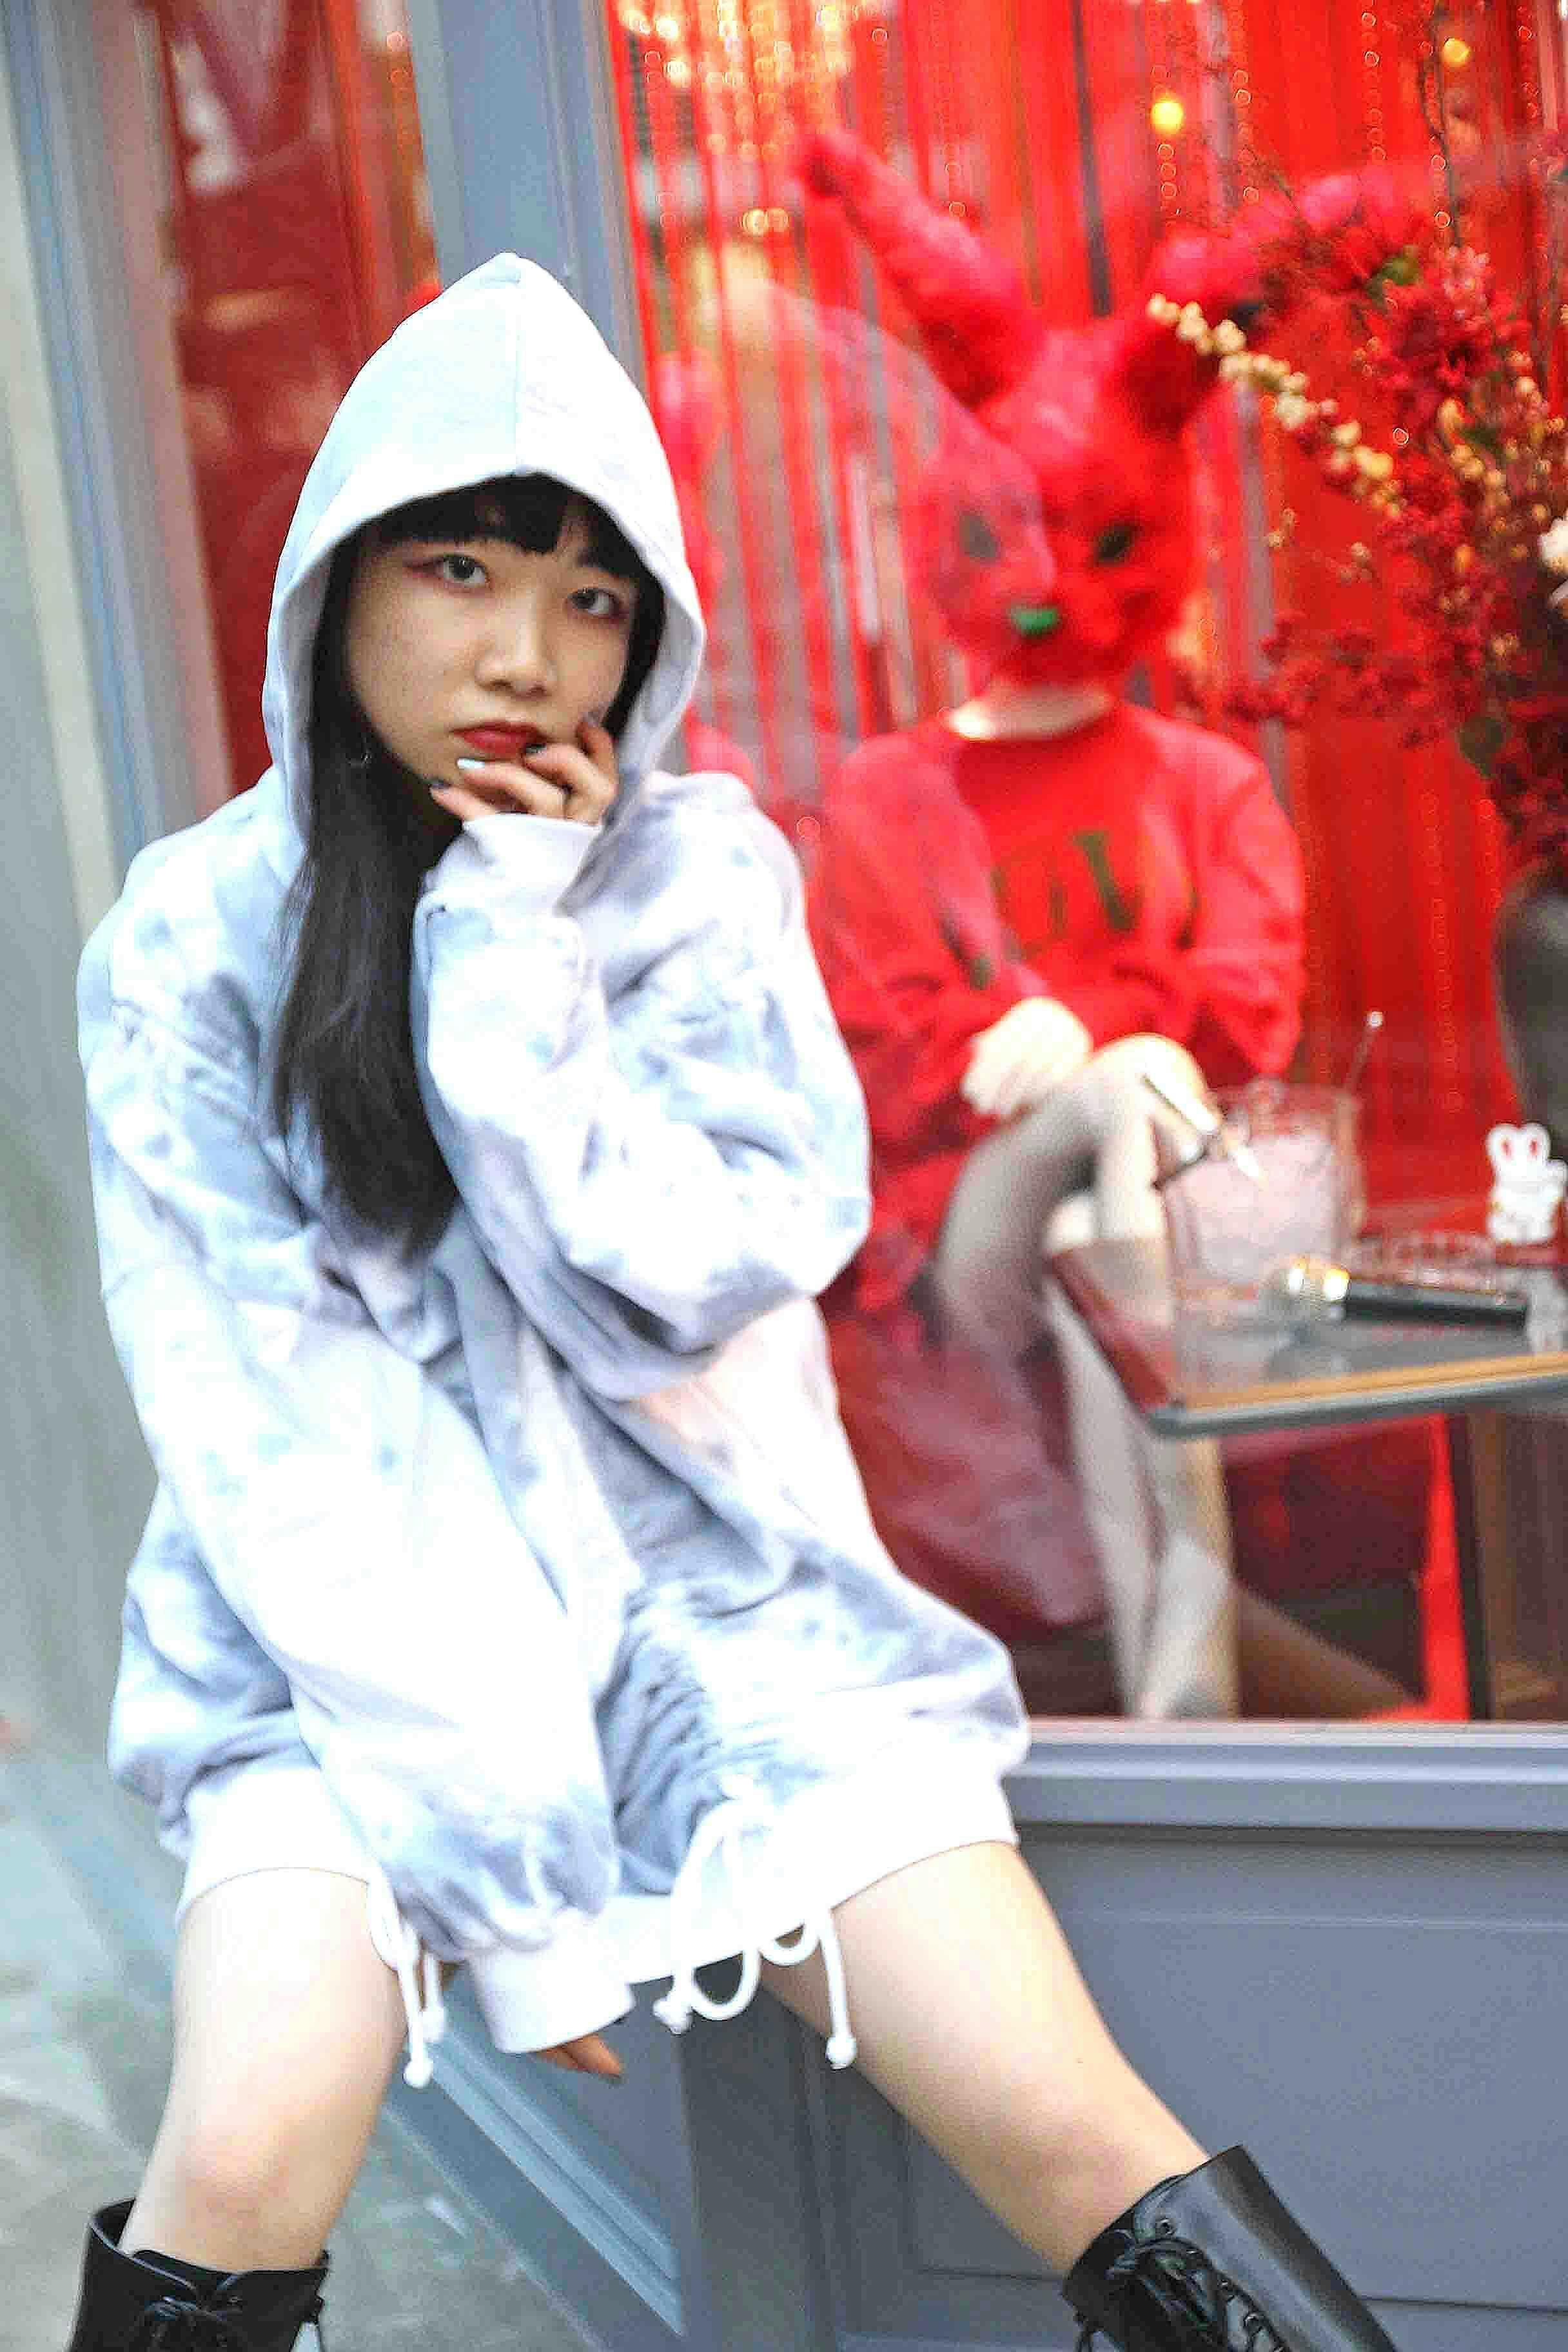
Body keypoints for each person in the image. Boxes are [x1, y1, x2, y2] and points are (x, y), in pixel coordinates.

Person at [71, 254, 1397, 2352]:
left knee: (1077, 2130)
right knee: (238, 2157)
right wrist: (515, 1860)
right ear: (341, 580)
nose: (527, 655)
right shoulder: (193, 937)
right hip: (354, 1655)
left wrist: (515, 949)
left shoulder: (698, 878)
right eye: (461, 569)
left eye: (592, 597)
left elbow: (696, 1286)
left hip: (720, 1615)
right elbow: (289, 1433)